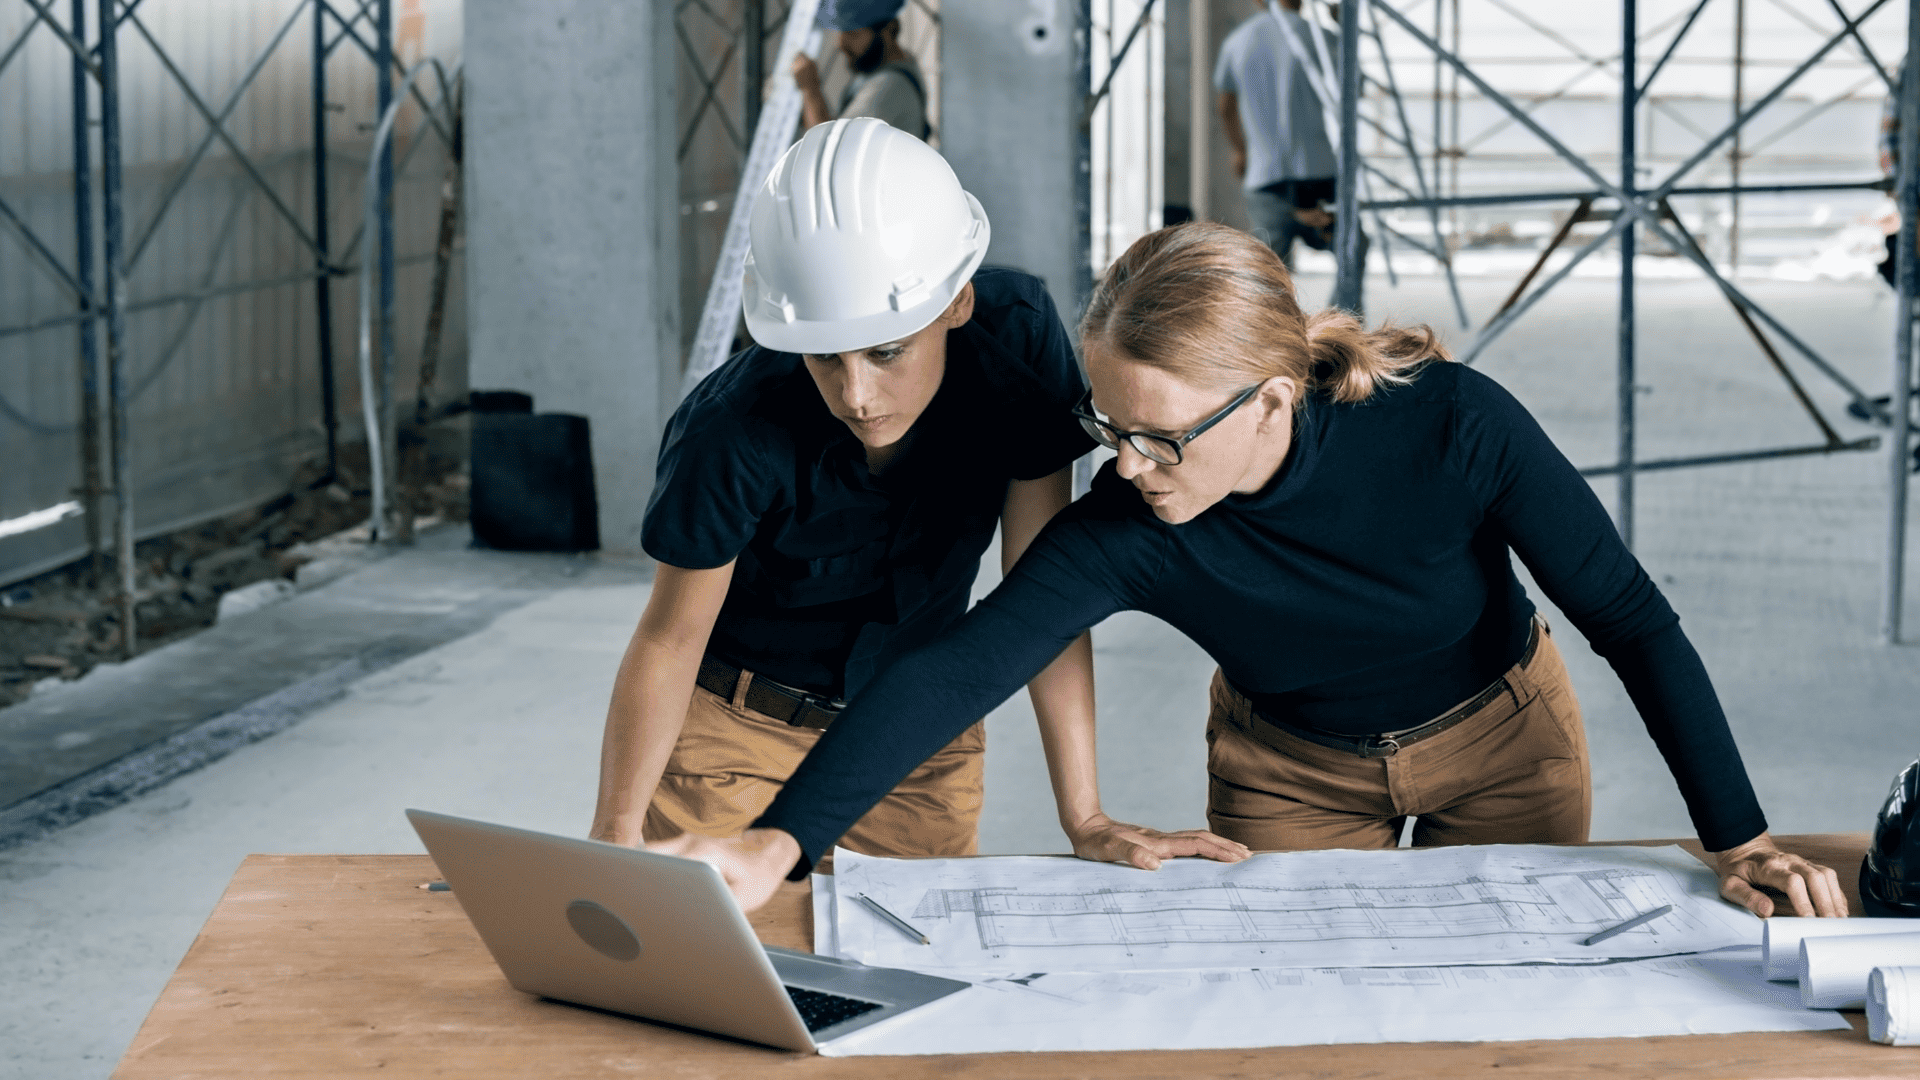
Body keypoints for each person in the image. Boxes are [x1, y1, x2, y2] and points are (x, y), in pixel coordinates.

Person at [654, 222, 1850, 924]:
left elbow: (1630, 619)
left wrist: (1737, 840)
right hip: (1289, 773)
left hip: (1503, 742)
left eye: (1159, 438)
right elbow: (957, 665)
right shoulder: (1135, 516)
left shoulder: (1453, 429)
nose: (1125, 466)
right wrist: (778, 842)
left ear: (1272, 397)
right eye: (1107, 427)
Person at [589, 118, 1121, 863]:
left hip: (920, 737)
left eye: (887, 351)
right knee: (711, 969)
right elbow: (670, 638)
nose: (858, 394)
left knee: (918, 965)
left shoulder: (1017, 342)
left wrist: (1086, 818)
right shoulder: (731, 429)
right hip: (736, 741)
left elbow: (1045, 596)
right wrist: (612, 838)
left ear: (957, 304)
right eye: (824, 357)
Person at [1215, 0, 1366, 291]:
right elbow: (1354, 89)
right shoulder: (1321, 38)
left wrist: (1240, 151)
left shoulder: (1236, 42)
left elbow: (1225, 106)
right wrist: (1346, 31)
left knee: (1267, 276)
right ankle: (1341, 329)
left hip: (1265, 176)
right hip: (1318, 174)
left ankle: (1271, 335)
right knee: (1352, 252)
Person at [795, 0, 929, 139]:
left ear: (889, 30)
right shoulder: (879, 69)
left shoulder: (890, 85)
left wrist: (809, 88)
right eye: (841, 31)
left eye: (853, 33)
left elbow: (831, 148)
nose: (841, 44)